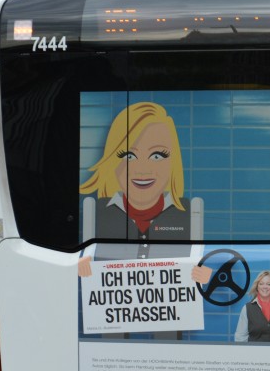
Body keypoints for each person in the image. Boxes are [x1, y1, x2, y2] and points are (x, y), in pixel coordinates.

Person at [79, 101, 193, 259]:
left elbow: (194, 265)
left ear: (173, 163)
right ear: (112, 161)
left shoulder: (186, 212)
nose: (143, 169)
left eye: (157, 155)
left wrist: (202, 274)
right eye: (129, 156)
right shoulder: (99, 211)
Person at [234, 270, 270, 343]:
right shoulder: (247, 308)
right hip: (253, 353)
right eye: (261, 284)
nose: (265, 287)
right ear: (257, 286)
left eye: (268, 284)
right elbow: (240, 337)